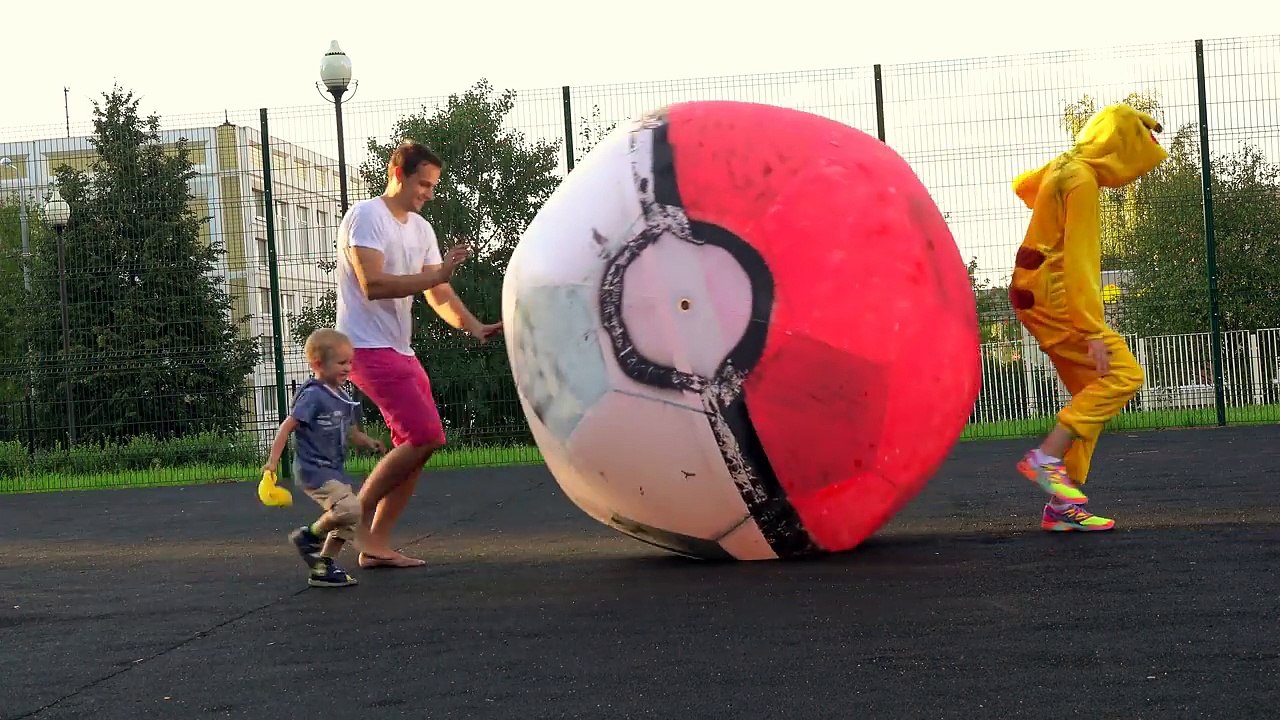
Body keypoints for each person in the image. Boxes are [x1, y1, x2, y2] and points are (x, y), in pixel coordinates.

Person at [335, 141, 502, 569]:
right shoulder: (367, 217)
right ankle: (351, 518)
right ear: (398, 172)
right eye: (422, 183)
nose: (428, 192)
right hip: (365, 346)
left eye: (432, 185)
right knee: (425, 435)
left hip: (399, 349)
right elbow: (373, 284)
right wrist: (436, 273)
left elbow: (437, 291)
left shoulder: (421, 229)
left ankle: (375, 543)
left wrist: (473, 325)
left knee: (417, 445)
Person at [1007, 102, 1168, 532]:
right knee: (1124, 376)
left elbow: (1025, 185)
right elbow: (1080, 262)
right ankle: (1046, 459)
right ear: (1119, 149)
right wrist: (1092, 330)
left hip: (1031, 289)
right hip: (1055, 295)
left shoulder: (1066, 165)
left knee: (1090, 396)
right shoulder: (1082, 180)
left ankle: (1062, 506)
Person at [262, 328, 387, 587]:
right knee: (348, 509)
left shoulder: (342, 395)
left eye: (350, 362)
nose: (348, 368)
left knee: (352, 516)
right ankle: (309, 536)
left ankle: (323, 566)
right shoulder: (313, 395)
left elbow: (351, 431)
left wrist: (367, 442)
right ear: (319, 364)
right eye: (342, 363)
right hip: (313, 469)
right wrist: (272, 463)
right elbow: (287, 427)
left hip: (333, 468)